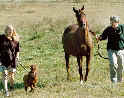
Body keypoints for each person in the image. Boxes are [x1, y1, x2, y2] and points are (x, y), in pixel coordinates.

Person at [96, 16, 124, 83]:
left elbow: (122, 38)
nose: (112, 24)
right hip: (111, 50)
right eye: (111, 23)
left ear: (117, 22)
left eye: (114, 23)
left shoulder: (122, 27)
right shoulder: (108, 29)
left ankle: (119, 80)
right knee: (113, 64)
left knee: (121, 65)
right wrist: (99, 37)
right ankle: (114, 80)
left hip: (120, 50)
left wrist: (119, 34)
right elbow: (103, 36)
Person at [0, 25, 20, 96]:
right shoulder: (1, 38)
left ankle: (11, 87)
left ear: (13, 30)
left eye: (11, 30)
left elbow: (17, 50)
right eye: (8, 30)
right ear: (6, 30)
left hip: (12, 61)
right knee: (4, 74)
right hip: (2, 60)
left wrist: (17, 57)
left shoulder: (16, 39)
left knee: (11, 75)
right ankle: (6, 91)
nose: (10, 31)